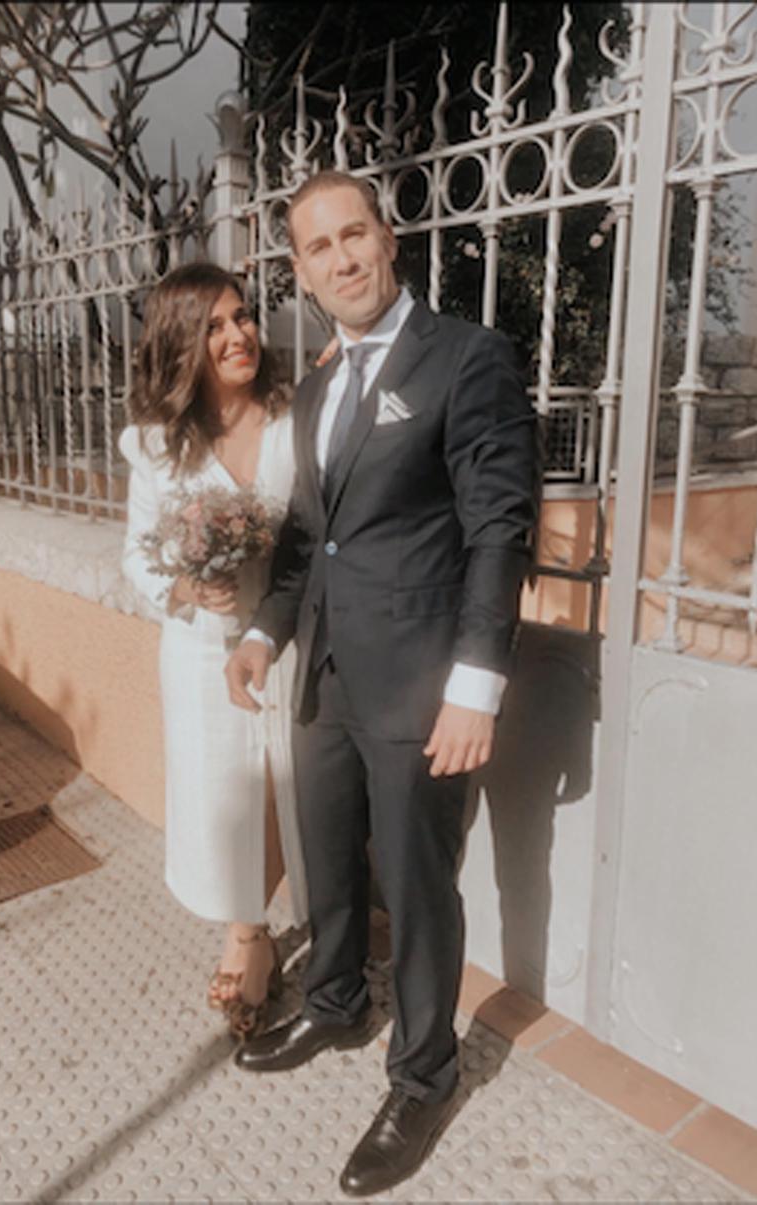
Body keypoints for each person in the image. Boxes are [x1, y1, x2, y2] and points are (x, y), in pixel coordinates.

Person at [225, 171, 539, 1197]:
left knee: (415, 881)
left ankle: (425, 1072)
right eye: (318, 248)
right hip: (320, 674)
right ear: (302, 269)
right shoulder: (318, 384)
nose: (341, 258)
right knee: (327, 861)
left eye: (353, 234)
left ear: (387, 238)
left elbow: (498, 527)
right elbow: (311, 537)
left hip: (418, 684)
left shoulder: (466, 358)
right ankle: (332, 1000)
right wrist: (267, 631)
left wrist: (475, 684)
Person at [120, 262, 308, 1041]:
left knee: (293, 789)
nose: (238, 336)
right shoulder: (155, 443)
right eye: (215, 327)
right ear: (181, 344)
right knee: (224, 797)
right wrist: (188, 590)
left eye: (243, 317)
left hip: (290, 637)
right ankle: (248, 935)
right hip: (200, 652)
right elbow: (135, 552)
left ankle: (317, 918)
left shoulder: (298, 418)